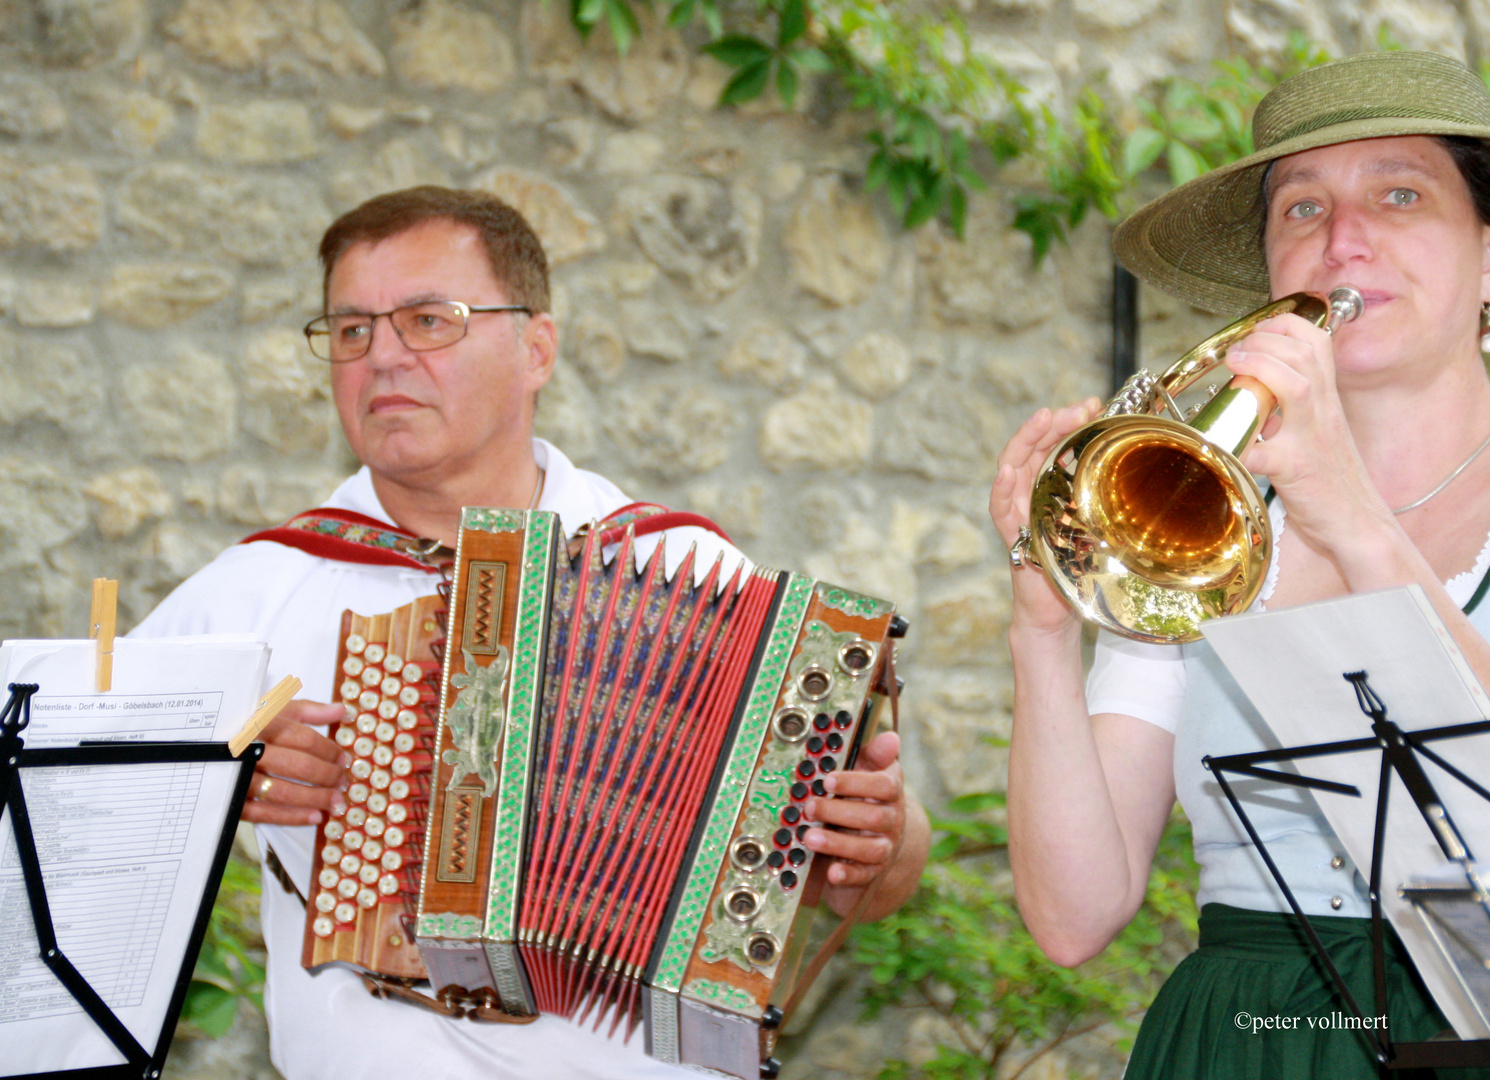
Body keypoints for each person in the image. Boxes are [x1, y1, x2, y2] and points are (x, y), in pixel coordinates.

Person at [989, 51, 1490, 1079]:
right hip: (1249, 1044)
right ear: (1270, 281)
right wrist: (1042, 626)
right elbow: (1073, 917)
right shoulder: (1196, 521)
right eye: (1300, 209)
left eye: (1400, 193)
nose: (1343, 241)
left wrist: (1350, 515)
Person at [134, 186, 929, 1080]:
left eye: (428, 321)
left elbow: (870, 875)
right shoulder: (254, 592)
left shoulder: (688, 568)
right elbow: (75, 815)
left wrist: (880, 847)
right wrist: (214, 772)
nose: (382, 357)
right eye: (351, 330)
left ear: (537, 348)